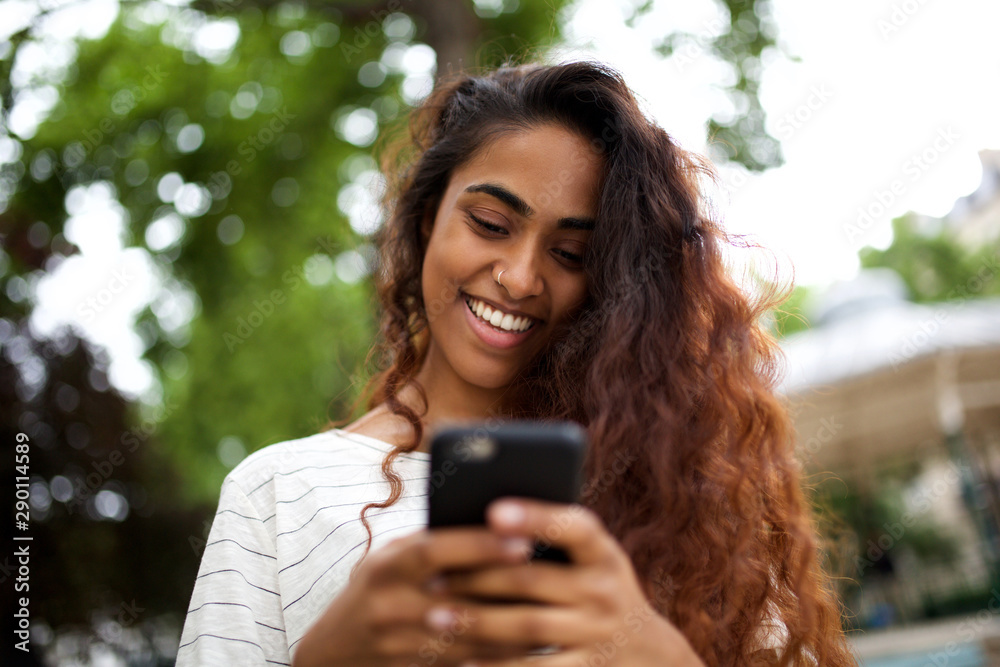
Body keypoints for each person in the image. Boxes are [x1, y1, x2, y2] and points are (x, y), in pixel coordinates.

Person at [177, 60, 856, 666]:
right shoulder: (275, 495)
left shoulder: (676, 494)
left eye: (570, 256)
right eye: (491, 225)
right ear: (426, 222)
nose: (520, 276)